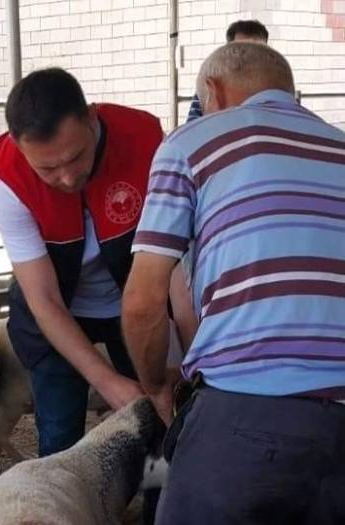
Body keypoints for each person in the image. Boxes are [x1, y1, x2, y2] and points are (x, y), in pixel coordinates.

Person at [122, 42, 345, 524]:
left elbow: (143, 302)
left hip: (246, 415)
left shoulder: (192, 142)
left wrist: (158, 388)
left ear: (213, 91)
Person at [0, 68, 164, 457]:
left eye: (76, 156)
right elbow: (44, 298)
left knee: (159, 427)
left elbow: (173, 257)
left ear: (91, 118)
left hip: (135, 299)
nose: (67, 178)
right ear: (20, 148)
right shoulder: (5, 180)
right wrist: (107, 382)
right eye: (47, 168)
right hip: (56, 311)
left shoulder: (147, 143)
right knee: (60, 438)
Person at [186, 19, 269, 122]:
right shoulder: (211, 89)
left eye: (257, 49)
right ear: (228, 50)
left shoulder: (280, 89)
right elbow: (192, 130)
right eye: (241, 49)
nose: (249, 56)